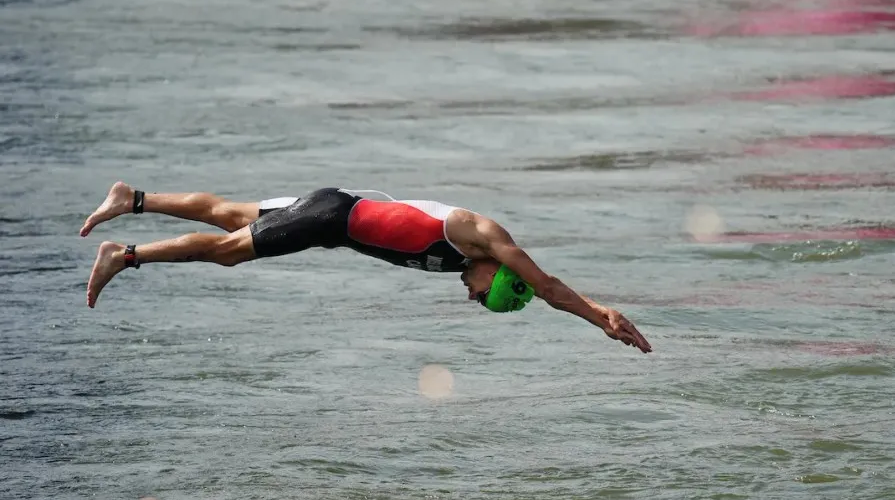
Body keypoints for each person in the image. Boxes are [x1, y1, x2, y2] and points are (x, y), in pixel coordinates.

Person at [81, 182, 652, 353]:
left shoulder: (472, 257)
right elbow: (547, 285)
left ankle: (132, 197)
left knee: (225, 211)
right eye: (483, 296)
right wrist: (599, 315)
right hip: (332, 218)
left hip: (335, 210)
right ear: (497, 276)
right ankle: (125, 255)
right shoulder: (481, 235)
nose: (470, 297)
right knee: (226, 249)